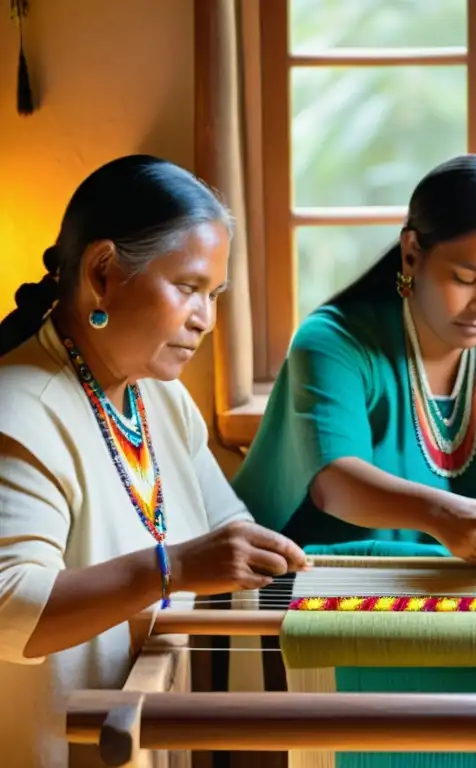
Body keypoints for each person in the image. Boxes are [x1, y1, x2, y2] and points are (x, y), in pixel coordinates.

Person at [0, 154, 307, 768]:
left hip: (150, 731)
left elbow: (229, 531)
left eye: (214, 294)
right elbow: (11, 609)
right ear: (104, 271)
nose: (206, 320)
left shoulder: (159, 398)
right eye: (189, 288)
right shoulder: (18, 411)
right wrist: (173, 568)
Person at [234, 154, 476, 570]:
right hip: (339, 593)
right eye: (464, 279)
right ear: (411, 253)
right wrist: (443, 514)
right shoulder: (334, 341)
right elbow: (334, 481)